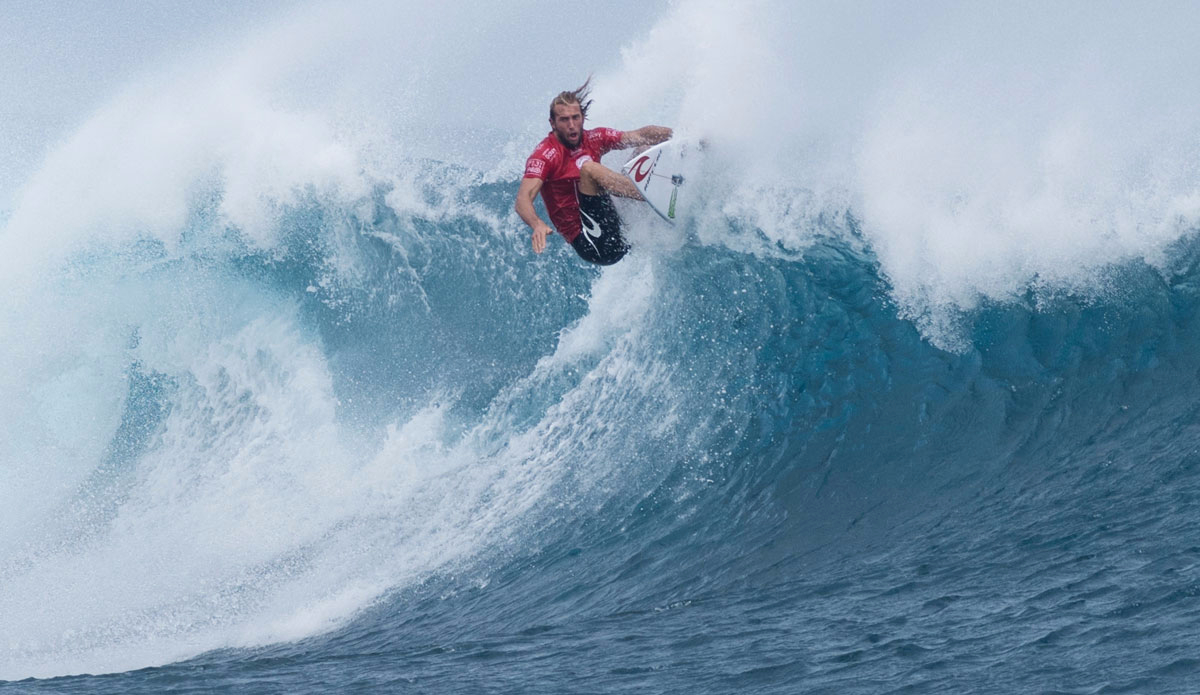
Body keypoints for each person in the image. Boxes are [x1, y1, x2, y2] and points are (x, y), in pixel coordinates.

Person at [515, 79, 672, 265]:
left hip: (617, 226)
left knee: (644, 149)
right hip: (593, 243)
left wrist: (683, 137)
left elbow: (639, 135)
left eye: (575, 117)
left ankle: (666, 190)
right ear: (553, 123)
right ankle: (652, 196)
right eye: (564, 120)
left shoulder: (594, 138)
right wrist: (537, 224)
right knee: (589, 169)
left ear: (583, 117)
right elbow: (522, 200)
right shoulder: (545, 155)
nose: (572, 125)